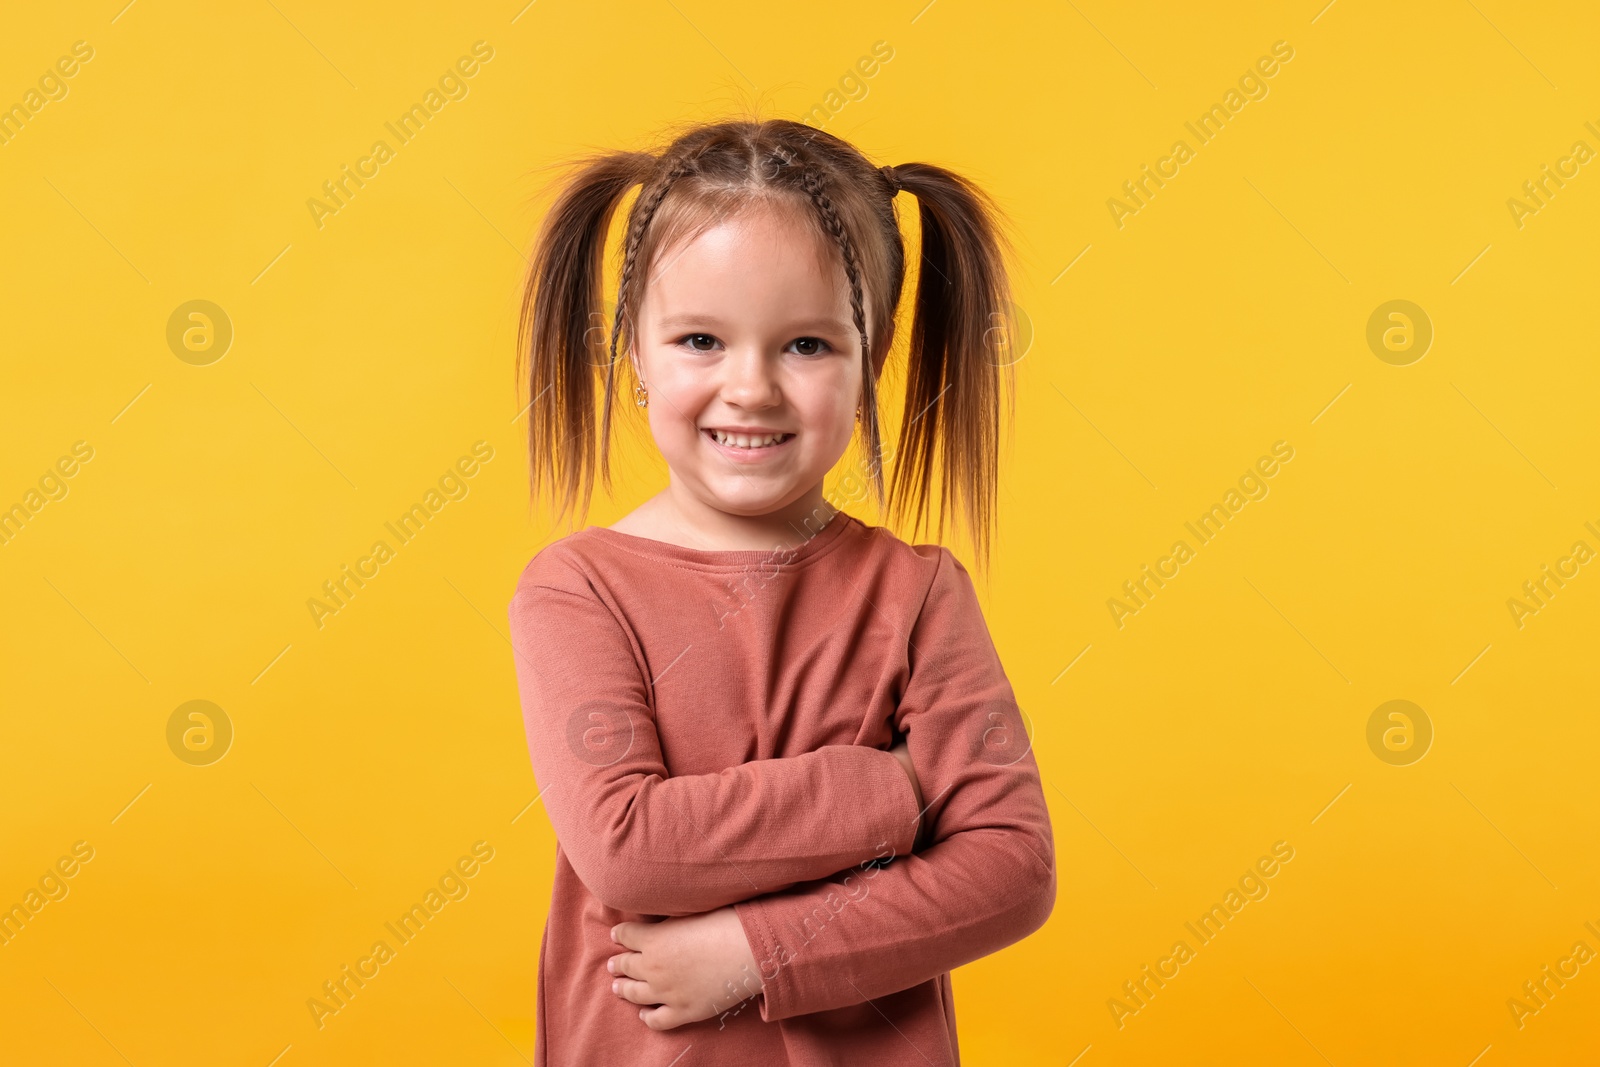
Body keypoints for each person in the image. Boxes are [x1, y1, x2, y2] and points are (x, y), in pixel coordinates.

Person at [507, 117, 1055, 1065]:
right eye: (700, 340)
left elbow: (1010, 865)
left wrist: (756, 952)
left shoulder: (918, 593)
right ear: (635, 352)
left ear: (870, 359)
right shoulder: (577, 589)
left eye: (805, 345)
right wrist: (893, 790)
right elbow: (629, 845)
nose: (751, 387)